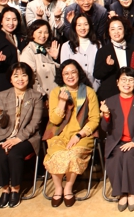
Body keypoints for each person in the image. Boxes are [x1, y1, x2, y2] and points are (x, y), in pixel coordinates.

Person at [43, 60, 100, 207]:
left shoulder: (89, 92)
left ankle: (68, 187)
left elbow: (94, 119)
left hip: (82, 135)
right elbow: (54, 120)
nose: (70, 76)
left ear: (79, 73)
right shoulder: (56, 92)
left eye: (73, 72)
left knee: (73, 155)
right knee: (56, 154)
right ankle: (58, 188)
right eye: (66, 73)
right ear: (61, 76)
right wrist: (62, 102)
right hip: (59, 134)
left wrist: (79, 135)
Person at [0, 63, 44, 208]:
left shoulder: (36, 96)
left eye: (24, 75)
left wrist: (18, 139)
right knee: (0, 155)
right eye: (16, 76)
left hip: (28, 138)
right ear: (10, 79)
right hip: (4, 135)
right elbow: (2, 124)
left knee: (14, 154)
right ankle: (5, 189)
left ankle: (15, 189)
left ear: (29, 78)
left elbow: (35, 124)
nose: (20, 79)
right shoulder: (3, 95)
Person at [100, 67, 134, 212]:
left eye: (131, 80)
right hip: (116, 143)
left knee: (130, 156)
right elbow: (105, 128)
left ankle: (131, 193)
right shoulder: (109, 102)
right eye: (123, 80)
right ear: (117, 82)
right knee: (117, 156)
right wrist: (106, 116)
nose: (127, 83)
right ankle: (122, 193)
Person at [94, 16, 134, 101]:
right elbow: (97, 74)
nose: (116, 32)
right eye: (113, 29)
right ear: (109, 32)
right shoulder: (103, 51)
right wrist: (108, 66)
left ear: (124, 30)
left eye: (119, 28)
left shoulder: (133, 49)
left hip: (130, 93)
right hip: (109, 94)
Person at [0, 7, 23, 101]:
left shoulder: (19, 37)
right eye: (7, 19)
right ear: (1, 21)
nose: (11, 23)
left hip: (18, 82)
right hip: (2, 85)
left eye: (14, 19)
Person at [20, 20, 61, 98]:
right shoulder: (28, 52)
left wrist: (55, 59)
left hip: (54, 95)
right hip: (40, 97)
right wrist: (42, 96)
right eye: (40, 32)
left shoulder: (47, 49)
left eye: (46, 32)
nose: (43, 35)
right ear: (32, 33)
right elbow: (31, 78)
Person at [60, 13, 101, 90]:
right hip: (74, 90)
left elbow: (100, 70)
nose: (83, 28)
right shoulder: (66, 46)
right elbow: (64, 71)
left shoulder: (98, 45)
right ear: (74, 27)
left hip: (95, 89)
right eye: (79, 25)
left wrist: (93, 90)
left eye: (86, 24)